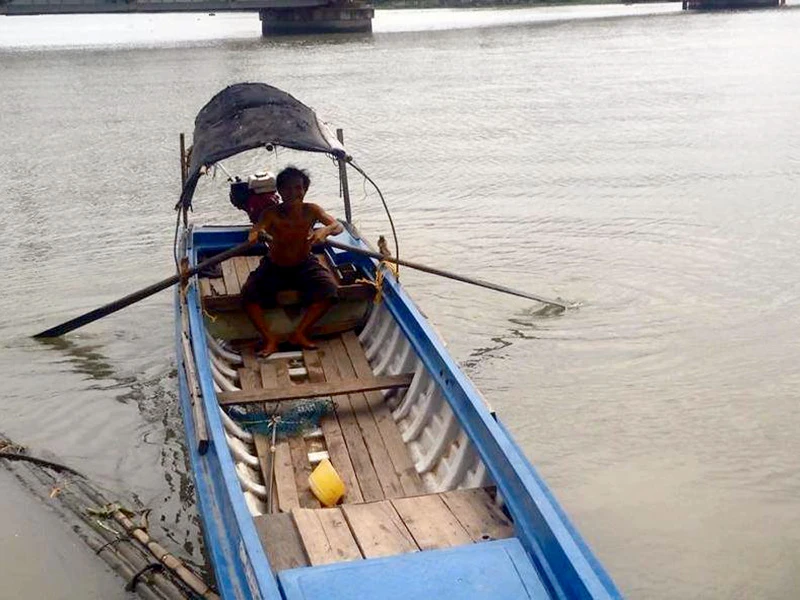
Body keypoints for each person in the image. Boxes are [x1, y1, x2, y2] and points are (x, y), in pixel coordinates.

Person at [241, 166, 343, 357]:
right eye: (288, 188)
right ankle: (269, 339)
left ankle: (299, 333)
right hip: (275, 266)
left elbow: (337, 226)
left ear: (305, 190)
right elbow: (257, 229)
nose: (294, 193)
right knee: (248, 294)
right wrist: (256, 235)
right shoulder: (271, 213)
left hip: (305, 264)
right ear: (279, 191)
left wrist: (324, 231)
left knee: (330, 291)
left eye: (298, 188)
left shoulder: (311, 210)